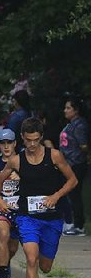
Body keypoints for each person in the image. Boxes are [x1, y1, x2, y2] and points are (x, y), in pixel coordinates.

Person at [0, 117, 77, 278]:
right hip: (27, 217)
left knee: (45, 266)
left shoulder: (54, 156)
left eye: (36, 140)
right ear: (22, 138)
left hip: (51, 219)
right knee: (31, 258)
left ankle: (41, 276)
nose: (32, 145)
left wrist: (56, 196)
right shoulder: (17, 161)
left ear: (41, 137)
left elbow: (73, 180)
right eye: (28, 140)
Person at [0, 128, 20, 278]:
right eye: (3, 143)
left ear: (15, 143)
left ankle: (6, 263)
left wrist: (23, 177)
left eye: (9, 142)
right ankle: (3, 276)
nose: (6, 146)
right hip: (0, 207)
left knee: (12, 247)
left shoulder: (23, 160)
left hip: (19, 208)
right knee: (4, 233)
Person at [59, 96, 88, 235]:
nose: (65, 110)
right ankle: (73, 222)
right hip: (68, 163)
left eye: (68, 108)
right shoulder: (70, 124)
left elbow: (83, 145)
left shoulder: (80, 125)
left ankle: (79, 225)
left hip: (76, 163)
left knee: (74, 193)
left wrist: (81, 157)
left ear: (76, 110)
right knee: (71, 194)